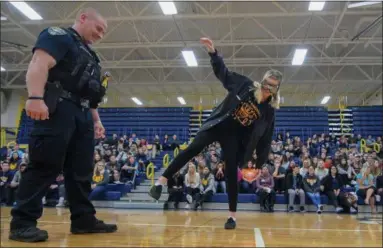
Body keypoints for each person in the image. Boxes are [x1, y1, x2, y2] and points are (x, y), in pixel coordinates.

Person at [149, 37, 282, 229]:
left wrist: (259, 164)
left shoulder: (269, 111)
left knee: (230, 173)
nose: (267, 88)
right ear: (262, 81)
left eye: (272, 86)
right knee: (193, 148)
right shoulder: (245, 85)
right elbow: (224, 74)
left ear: (277, 89)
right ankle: (161, 181)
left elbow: (265, 140)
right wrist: (214, 54)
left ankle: (232, 216)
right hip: (218, 124)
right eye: (266, 83)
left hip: (234, 137)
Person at [9, 8, 117, 242]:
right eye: (98, 28)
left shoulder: (91, 56)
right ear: (82, 18)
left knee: (81, 171)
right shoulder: (58, 36)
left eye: (104, 32)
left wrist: (96, 121)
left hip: (83, 113)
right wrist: (35, 97)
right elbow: (39, 62)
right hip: (58, 107)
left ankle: (83, 220)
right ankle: (22, 223)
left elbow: (90, 92)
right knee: (45, 164)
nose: (100, 34)